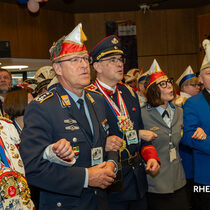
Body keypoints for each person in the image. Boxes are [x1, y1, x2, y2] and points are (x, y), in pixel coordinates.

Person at [19, 23, 117, 210]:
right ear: (57, 68)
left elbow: (106, 141)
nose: (83, 65)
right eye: (74, 60)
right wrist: (87, 178)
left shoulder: (97, 100)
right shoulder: (43, 107)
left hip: (100, 201)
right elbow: (32, 168)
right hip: (67, 204)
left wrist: (111, 162)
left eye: (85, 59)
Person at [88, 35, 160, 210]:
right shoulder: (88, 97)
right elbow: (89, 141)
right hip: (110, 182)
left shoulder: (128, 93)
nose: (119, 64)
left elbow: (140, 131)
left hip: (137, 179)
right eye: (112, 60)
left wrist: (151, 157)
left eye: (120, 59)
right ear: (97, 66)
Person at [141, 59, 189, 210]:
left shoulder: (180, 112)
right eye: (163, 84)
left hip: (178, 180)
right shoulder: (142, 114)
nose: (170, 86)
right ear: (153, 91)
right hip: (155, 183)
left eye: (169, 83)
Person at [181, 38, 210, 210]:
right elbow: (188, 136)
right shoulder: (193, 103)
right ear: (200, 78)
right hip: (206, 177)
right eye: (209, 73)